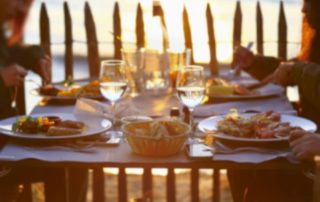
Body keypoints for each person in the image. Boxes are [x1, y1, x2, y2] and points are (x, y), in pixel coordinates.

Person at [227, 0, 320, 201]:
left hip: (313, 154)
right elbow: (292, 70)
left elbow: (301, 72)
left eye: (310, 3)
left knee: (258, 174)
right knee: (241, 163)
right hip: (305, 139)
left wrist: (298, 71)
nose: (303, 9)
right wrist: (255, 63)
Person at [0, 1, 88, 201]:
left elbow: (15, 51)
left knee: (76, 157)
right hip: (5, 148)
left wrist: (37, 57)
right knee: (63, 164)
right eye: (17, 1)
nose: (21, 9)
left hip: (14, 129)